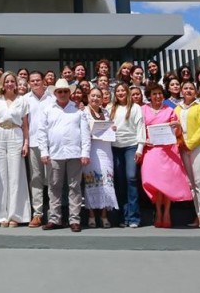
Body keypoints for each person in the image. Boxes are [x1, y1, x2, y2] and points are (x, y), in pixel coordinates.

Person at [36, 79, 90, 232]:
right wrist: (44, 152)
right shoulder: (47, 110)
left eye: (66, 91)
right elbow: (42, 132)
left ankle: (74, 220)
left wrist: (85, 152)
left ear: (70, 92)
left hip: (75, 153)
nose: (63, 94)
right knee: (54, 187)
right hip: (55, 152)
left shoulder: (78, 110)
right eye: (60, 91)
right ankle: (55, 219)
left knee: (75, 187)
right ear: (55, 93)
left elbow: (85, 134)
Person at [140, 83, 191, 228]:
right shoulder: (143, 110)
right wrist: (144, 141)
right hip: (151, 149)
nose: (157, 96)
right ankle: (157, 210)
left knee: (168, 183)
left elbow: (178, 133)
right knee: (152, 180)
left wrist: (178, 127)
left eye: (160, 94)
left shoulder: (171, 110)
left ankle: (167, 212)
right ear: (149, 96)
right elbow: (138, 129)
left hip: (168, 150)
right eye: (154, 94)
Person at [0, 71, 31, 227]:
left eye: (12, 81)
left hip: (16, 134)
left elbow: (25, 125)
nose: (10, 84)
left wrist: (26, 143)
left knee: (15, 175)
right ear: (2, 84)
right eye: (7, 81)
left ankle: (15, 215)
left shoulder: (22, 101)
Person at [176, 80, 200, 227]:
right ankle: (198, 215)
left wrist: (190, 144)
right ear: (181, 91)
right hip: (183, 148)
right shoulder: (177, 109)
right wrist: (181, 144)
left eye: (191, 88)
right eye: (185, 88)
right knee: (191, 184)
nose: (188, 90)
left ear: (196, 92)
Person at [110, 82, 145, 228]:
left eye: (122, 91)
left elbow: (141, 128)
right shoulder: (110, 108)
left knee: (131, 178)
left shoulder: (135, 108)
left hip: (131, 146)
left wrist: (140, 149)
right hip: (115, 147)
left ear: (127, 92)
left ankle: (134, 217)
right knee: (119, 181)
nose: (120, 93)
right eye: (117, 91)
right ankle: (123, 217)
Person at [82, 87, 118, 228]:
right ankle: (91, 215)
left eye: (98, 96)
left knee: (106, 181)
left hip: (105, 149)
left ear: (102, 98)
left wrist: (113, 128)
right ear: (88, 97)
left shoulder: (106, 112)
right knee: (91, 180)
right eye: (93, 96)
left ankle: (104, 215)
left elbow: (109, 128)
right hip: (91, 149)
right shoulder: (83, 112)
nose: (95, 98)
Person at [25, 70, 53, 227]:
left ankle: (54, 214)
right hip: (34, 144)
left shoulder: (52, 98)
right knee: (36, 178)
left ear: (44, 82)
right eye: (32, 81)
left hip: (51, 144)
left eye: (38, 80)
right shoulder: (25, 99)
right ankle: (38, 214)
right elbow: (25, 124)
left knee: (52, 179)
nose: (35, 83)